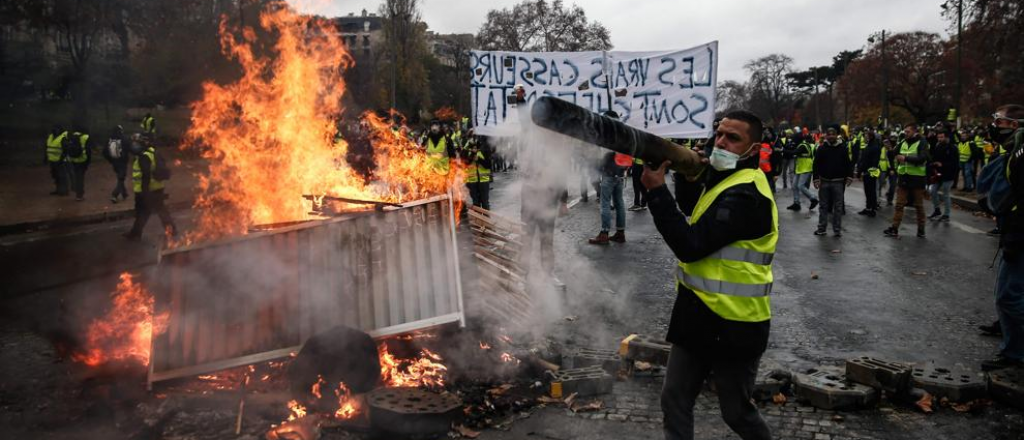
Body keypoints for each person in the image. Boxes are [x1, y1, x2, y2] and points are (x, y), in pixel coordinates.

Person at [645, 110, 774, 440]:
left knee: (737, 413)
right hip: (698, 314)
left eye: (733, 138)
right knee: (674, 398)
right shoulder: (726, 177)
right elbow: (695, 211)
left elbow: (692, 244)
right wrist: (686, 178)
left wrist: (657, 192)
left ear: (753, 148)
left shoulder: (747, 193)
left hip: (736, 324)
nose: (720, 142)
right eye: (719, 133)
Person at [981, 104, 1024, 371]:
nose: (994, 127)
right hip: (1015, 230)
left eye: (999, 123)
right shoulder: (1014, 151)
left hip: (1019, 233)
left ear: (1015, 125)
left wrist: (1016, 236)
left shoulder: (1020, 155)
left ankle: (1016, 353)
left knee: (1008, 295)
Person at [884, 123, 931, 238]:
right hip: (904, 178)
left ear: (915, 132)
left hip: (917, 178)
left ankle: (921, 230)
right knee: (899, 204)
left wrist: (905, 158)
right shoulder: (903, 142)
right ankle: (894, 228)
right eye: (905, 131)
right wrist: (890, 149)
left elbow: (923, 158)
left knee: (919, 206)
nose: (905, 133)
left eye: (908, 131)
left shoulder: (922, 142)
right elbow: (895, 153)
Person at [125, 135, 176, 241]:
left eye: (136, 144)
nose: (134, 146)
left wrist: (144, 192)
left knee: (142, 212)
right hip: (157, 188)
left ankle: (135, 234)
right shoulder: (153, 153)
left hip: (146, 190)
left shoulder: (144, 157)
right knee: (161, 211)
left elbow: (146, 175)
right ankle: (172, 231)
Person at [589, 116, 630, 245]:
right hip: (620, 173)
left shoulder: (608, 136)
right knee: (619, 203)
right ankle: (620, 232)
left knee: (605, 203)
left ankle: (604, 233)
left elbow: (603, 155)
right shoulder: (623, 134)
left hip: (609, 173)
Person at [812, 127, 853, 237]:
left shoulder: (842, 148)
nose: (831, 136)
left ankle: (837, 230)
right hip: (824, 181)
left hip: (838, 182)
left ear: (836, 136)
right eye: (828, 134)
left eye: (833, 134)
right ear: (826, 136)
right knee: (823, 206)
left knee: (838, 207)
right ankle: (821, 228)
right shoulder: (821, 148)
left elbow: (848, 163)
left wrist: (849, 176)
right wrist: (815, 179)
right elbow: (816, 164)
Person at [929, 130, 958, 222]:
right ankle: (937, 210)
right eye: (938, 137)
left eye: (941, 137)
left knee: (946, 193)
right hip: (938, 174)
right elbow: (934, 158)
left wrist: (943, 164)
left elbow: (955, 163)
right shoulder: (938, 146)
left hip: (948, 175)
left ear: (946, 137)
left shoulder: (952, 148)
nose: (940, 139)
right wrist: (933, 164)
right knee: (933, 191)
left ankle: (947, 214)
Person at [786, 136, 818, 211]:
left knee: (800, 186)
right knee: (794, 185)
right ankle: (796, 203)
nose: (793, 143)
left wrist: (782, 150)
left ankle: (813, 198)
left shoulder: (803, 146)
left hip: (806, 168)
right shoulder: (802, 145)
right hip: (800, 168)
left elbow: (794, 152)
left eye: (794, 142)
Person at [462, 131, 492, 210]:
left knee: (485, 203)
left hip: (483, 180)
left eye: (475, 136)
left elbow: (488, 165)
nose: (473, 138)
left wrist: (479, 159)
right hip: (472, 181)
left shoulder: (484, 148)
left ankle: (486, 221)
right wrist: (472, 155)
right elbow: (464, 163)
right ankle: (478, 220)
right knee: (476, 203)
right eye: (471, 136)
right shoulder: (466, 148)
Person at [857, 130, 883, 217]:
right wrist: (860, 171)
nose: (864, 138)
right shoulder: (868, 146)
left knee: (871, 191)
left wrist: (869, 172)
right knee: (867, 191)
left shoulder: (875, 147)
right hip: (866, 172)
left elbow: (874, 162)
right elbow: (863, 160)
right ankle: (868, 207)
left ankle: (872, 209)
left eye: (865, 136)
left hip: (871, 173)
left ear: (870, 137)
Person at [103, 125, 130, 203]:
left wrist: (110, 160)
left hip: (114, 162)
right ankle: (114, 195)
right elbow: (129, 148)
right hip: (122, 162)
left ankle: (124, 193)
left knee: (120, 177)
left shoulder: (110, 139)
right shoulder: (123, 138)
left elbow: (104, 152)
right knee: (121, 178)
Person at [45, 125, 70, 196]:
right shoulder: (50, 137)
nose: (54, 130)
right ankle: (58, 190)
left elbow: (65, 150)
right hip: (52, 160)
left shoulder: (63, 138)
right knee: (55, 176)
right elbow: (47, 147)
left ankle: (65, 191)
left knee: (62, 176)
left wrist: (61, 159)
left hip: (61, 161)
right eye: (54, 128)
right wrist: (46, 157)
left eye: (57, 129)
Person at [68, 126, 91, 201]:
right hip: (82, 160)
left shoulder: (71, 137)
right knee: (80, 178)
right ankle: (79, 195)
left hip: (73, 160)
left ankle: (76, 190)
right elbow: (88, 151)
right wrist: (88, 162)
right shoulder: (85, 137)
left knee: (76, 176)